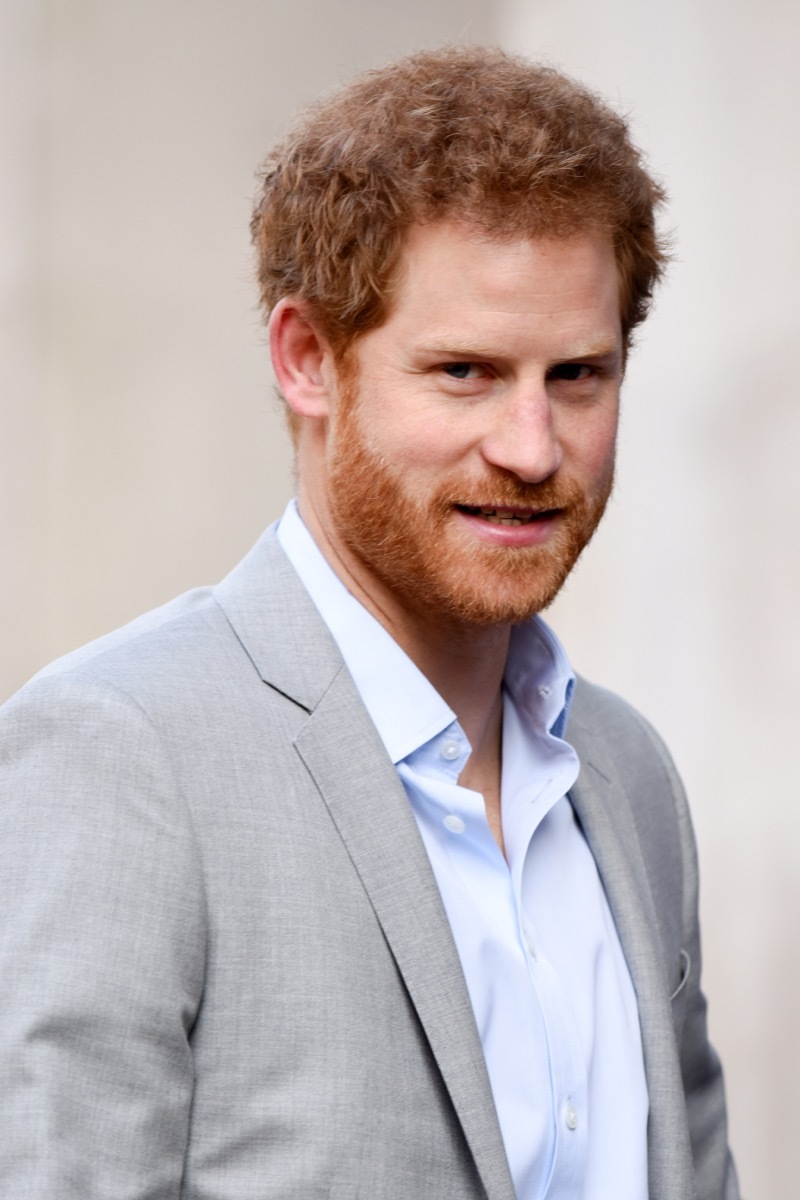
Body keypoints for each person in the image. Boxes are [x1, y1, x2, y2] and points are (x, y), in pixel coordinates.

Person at [0, 45, 739, 1200]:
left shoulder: (627, 776)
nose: (532, 449)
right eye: (463, 372)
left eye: (579, 376)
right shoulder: (122, 755)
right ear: (307, 360)